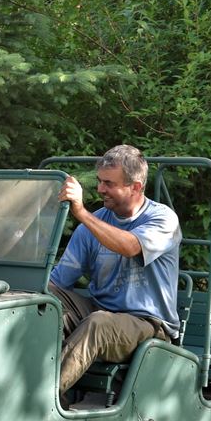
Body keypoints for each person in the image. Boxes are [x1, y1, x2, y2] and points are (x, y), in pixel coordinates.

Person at [49, 145, 182, 401]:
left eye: (109, 183)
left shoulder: (163, 219)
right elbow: (58, 281)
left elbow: (130, 246)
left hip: (148, 324)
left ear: (136, 187)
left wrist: (81, 213)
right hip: (99, 310)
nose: (100, 189)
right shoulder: (93, 223)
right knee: (43, 299)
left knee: (98, 323)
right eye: (99, 181)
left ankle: (42, 401)